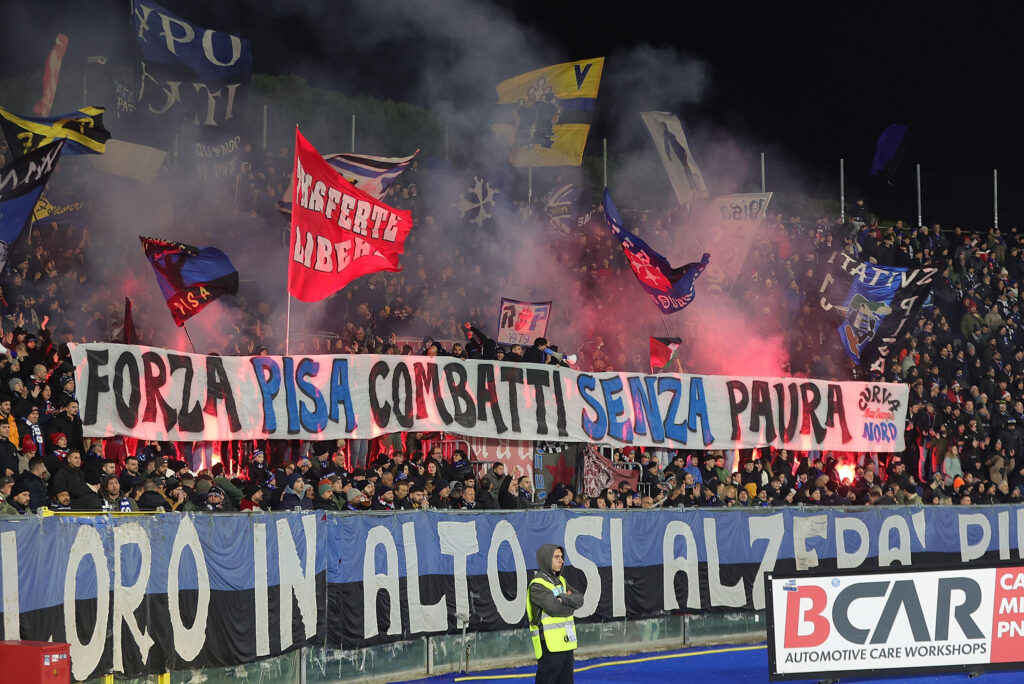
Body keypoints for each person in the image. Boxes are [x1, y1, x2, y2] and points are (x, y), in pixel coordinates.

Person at [527, 544, 583, 684]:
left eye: (562, 557)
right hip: (549, 646)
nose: (562, 561)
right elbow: (554, 608)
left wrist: (563, 598)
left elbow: (580, 599)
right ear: (546, 559)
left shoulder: (562, 581)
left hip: (566, 644)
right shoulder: (537, 585)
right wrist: (570, 606)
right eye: (557, 557)